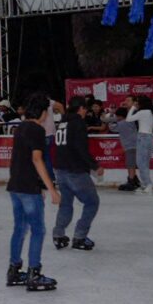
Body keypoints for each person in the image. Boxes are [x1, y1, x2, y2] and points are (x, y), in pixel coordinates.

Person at [5, 93, 61, 291]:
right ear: (43, 112)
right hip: (28, 188)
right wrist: (52, 189)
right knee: (38, 230)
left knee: (20, 229)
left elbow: (21, 159)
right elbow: (37, 159)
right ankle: (34, 273)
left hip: (15, 186)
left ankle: (14, 270)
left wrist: (39, 185)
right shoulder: (37, 130)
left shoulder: (20, 128)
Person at [51, 97, 103, 251]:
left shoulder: (63, 122)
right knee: (92, 202)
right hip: (75, 170)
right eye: (85, 108)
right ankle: (80, 237)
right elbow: (81, 148)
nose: (86, 111)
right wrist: (95, 165)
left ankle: (58, 235)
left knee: (66, 204)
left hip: (60, 170)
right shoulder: (78, 123)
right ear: (80, 108)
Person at [126, 96, 153, 195]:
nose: (137, 104)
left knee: (140, 163)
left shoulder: (142, 112)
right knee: (145, 163)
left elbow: (128, 119)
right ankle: (145, 185)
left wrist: (133, 107)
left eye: (138, 102)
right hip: (150, 138)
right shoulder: (151, 112)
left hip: (143, 138)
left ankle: (148, 184)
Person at [114, 107, 140, 191]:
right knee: (131, 164)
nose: (116, 118)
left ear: (120, 116)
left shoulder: (121, 123)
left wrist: (110, 115)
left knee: (130, 164)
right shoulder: (131, 122)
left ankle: (131, 182)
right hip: (135, 145)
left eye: (117, 116)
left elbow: (112, 128)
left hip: (130, 146)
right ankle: (134, 180)